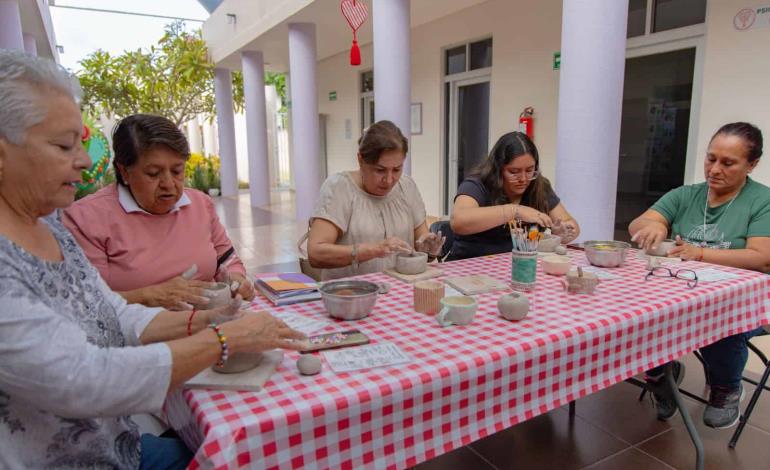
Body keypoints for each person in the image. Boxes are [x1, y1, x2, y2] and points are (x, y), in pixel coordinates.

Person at [0, 50, 305, 469]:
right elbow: (83, 377)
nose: (85, 160)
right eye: (64, 145)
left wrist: (214, 318)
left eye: (178, 171)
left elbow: (114, 314)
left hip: (118, 444)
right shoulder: (47, 237)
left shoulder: (47, 227)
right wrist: (223, 340)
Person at [629, 122, 770, 429]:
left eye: (728, 163)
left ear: (752, 164)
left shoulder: (762, 201)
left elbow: (761, 255)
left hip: (744, 303)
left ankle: (726, 387)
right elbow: (638, 224)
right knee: (644, 312)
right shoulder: (686, 195)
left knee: (721, 318)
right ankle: (658, 376)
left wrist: (700, 252)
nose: (714, 169)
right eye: (710, 158)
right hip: (681, 293)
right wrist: (655, 226)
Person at [62, 114, 255, 310]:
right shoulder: (86, 218)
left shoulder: (199, 204)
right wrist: (149, 296)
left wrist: (236, 281)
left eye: (177, 171)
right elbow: (86, 302)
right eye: (153, 173)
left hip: (205, 325)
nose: (169, 184)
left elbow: (228, 260)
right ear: (124, 172)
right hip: (139, 335)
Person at [307, 120, 444, 280]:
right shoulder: (340, 188)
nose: (389, 180)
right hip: (351, 296)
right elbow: (316, 254)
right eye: (380, 170)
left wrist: (429, 250)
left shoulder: (406, 186)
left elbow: (421, 244)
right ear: (360, 160)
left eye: (397, 169)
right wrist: (374, 250)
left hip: (399, 293)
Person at [448, 131, 580, 260]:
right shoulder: (477, 184)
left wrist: (563, 232)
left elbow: (570, 223)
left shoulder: (539, 186)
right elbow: (458, 221)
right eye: (514, 172)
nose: (523, 179)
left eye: (529, 170)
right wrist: (515, 211)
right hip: (471, 265)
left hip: (518, 265)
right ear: (498, 169)